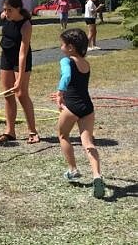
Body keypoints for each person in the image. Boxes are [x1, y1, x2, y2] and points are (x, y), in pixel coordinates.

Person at [50, 28, 105, 198]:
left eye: (62, 44)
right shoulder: (86, 63)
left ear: (71, 47)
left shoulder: (66, 61)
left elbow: (66, 77)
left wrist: (60, 93)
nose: (61, 47)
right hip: (87, 107)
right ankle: (97, 175)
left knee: (62, 135)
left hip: (72, 106)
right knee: (88, 142)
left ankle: (73, 170)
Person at [0, 0, 40, 144]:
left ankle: (32, 131)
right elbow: (3, 14)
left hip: (21, 58)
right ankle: (10, 131)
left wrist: (19, 78)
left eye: (10, 10)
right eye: (5, 10)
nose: (6, 13)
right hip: (6, 56)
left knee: (21, 94)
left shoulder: (26, 25)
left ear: (18, 9)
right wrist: (5, 13)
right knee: (7, 94)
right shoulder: (5, 16)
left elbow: (23, 53)